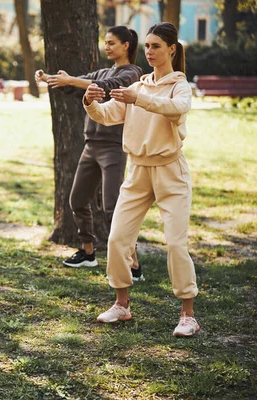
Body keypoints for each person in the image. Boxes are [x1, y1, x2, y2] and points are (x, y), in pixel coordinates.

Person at [83, 22, 199, 336]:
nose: (149, 52)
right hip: (137, 171)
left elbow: (177, 109)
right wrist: (91, 102)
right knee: (118, 239)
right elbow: (107, 115)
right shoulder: (139, 85)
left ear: (172, 49)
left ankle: (187, 314)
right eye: (146, 46)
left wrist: (139, 100)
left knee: (175, 244)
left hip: (170, 171)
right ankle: (121, 305)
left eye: (156, 46)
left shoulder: (179, 85)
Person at [36, 26, 144, 280]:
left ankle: (134, 264)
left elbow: (107, 87)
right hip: (91, 145)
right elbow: (75, 85)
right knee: (77, 200)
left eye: (112, 43)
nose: (106, 46)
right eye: (105, 42)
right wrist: (50, 78)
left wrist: (72, 80)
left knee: (113, 206)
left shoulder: (133, 73)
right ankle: (87, 253)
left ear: (126, 45)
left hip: (113, 148)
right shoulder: (103, 70)